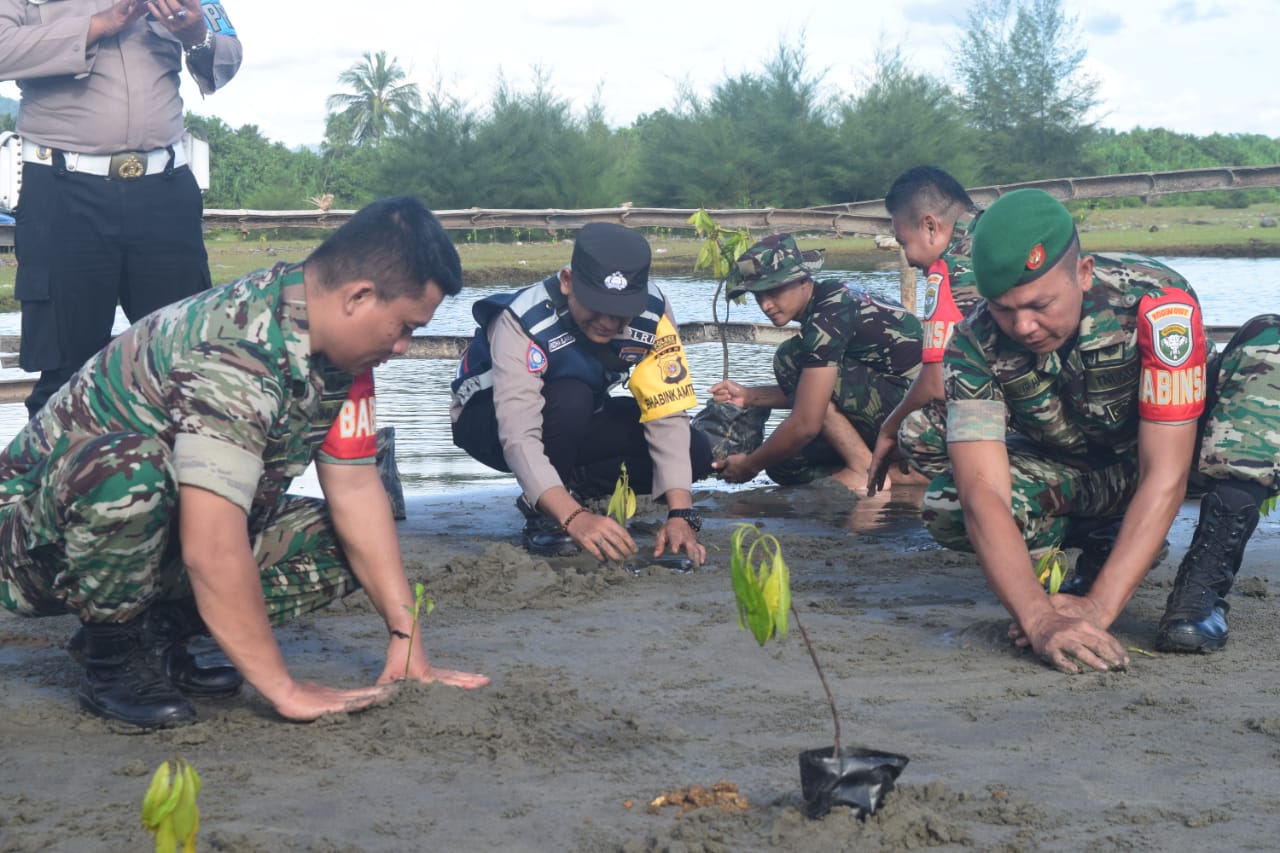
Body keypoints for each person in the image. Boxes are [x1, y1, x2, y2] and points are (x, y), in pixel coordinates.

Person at [0, 196, 489, 728]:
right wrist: (284, 687)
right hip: (35, 546)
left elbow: (354, 492)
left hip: (154, 535)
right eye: (404, 327)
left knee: (345, 541)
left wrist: (406, 635)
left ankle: (157, 636)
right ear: (359, 297)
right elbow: (212, 545)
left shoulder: (342, 353)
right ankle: (113, 654)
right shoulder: (238, 352)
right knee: (131, 472)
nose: (402, 347)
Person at [899, 188, 1280, 673]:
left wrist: (1098, 610)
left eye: (1040, 304)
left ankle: (1200, 594)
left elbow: (1166, 473)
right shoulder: (973, 342)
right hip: (1090, 470)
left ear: (1082, 272)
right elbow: (983, 492)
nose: (1024, 326)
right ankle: (1105, 543)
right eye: (1004, 309)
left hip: (1187, 455)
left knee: (1272, 346)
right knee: (948, 505)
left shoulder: (1157, 301)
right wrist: (1038, 617)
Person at [0, 0, 242, 418]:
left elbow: (227, 51)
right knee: (66, 378)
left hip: (166, 191)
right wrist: (100, 24)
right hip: (62, 194)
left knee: (188, 365)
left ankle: (175, 482)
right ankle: (68, 482)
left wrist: (195, 37)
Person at [450, 222, 712, 564]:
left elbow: (666, 408)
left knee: (696, 452)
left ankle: (570, 487)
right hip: (488, 422)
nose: (606, 321)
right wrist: (573, 518)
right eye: (595, 305)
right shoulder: (521, 320)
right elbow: (519, 436)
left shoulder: (653, 312)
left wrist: (681, 514)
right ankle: (544, 511)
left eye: (620, 311)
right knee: (572, 396)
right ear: (567, 282)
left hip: (579, 415)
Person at [708, 233, 924, 492]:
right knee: (784, 463)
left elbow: (807, 423)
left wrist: (749, 465)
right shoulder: (832, 293)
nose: (765, 304)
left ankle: (864, 470)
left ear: (802, 280)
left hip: (914, 419)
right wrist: (750, 396)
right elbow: (823, 391)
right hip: (902, 407)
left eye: (773, 290)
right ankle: (901, 475)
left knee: (790, 358)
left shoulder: (826, 319)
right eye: (757, 295)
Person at [867, 166, 981, 496]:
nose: (908, 257)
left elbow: (934, 383)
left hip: (1038, 411)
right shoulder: (993, 228)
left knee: (917, 431)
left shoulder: (947, 268)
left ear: (930, 226)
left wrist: (889, 430)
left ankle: (998, 503)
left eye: (904, 242)